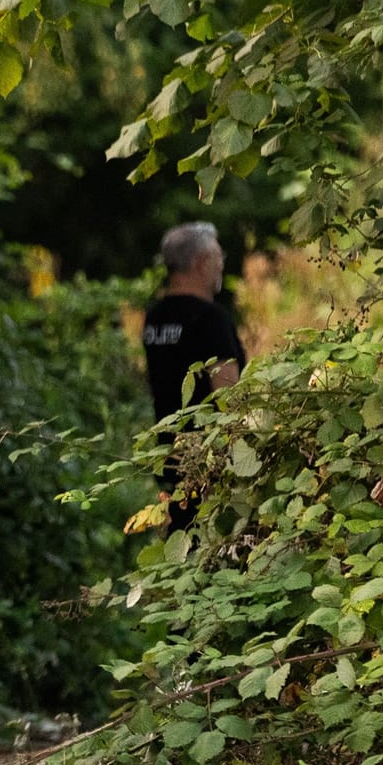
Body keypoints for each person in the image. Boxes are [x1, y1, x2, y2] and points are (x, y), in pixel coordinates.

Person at [141, 221, 246, 532]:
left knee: (179, 541)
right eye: (218, 257)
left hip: (169, 457)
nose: (221, 265)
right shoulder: (210, 319)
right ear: (201, 263)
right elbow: (229, 398)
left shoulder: (155, 317)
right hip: (210, 463)